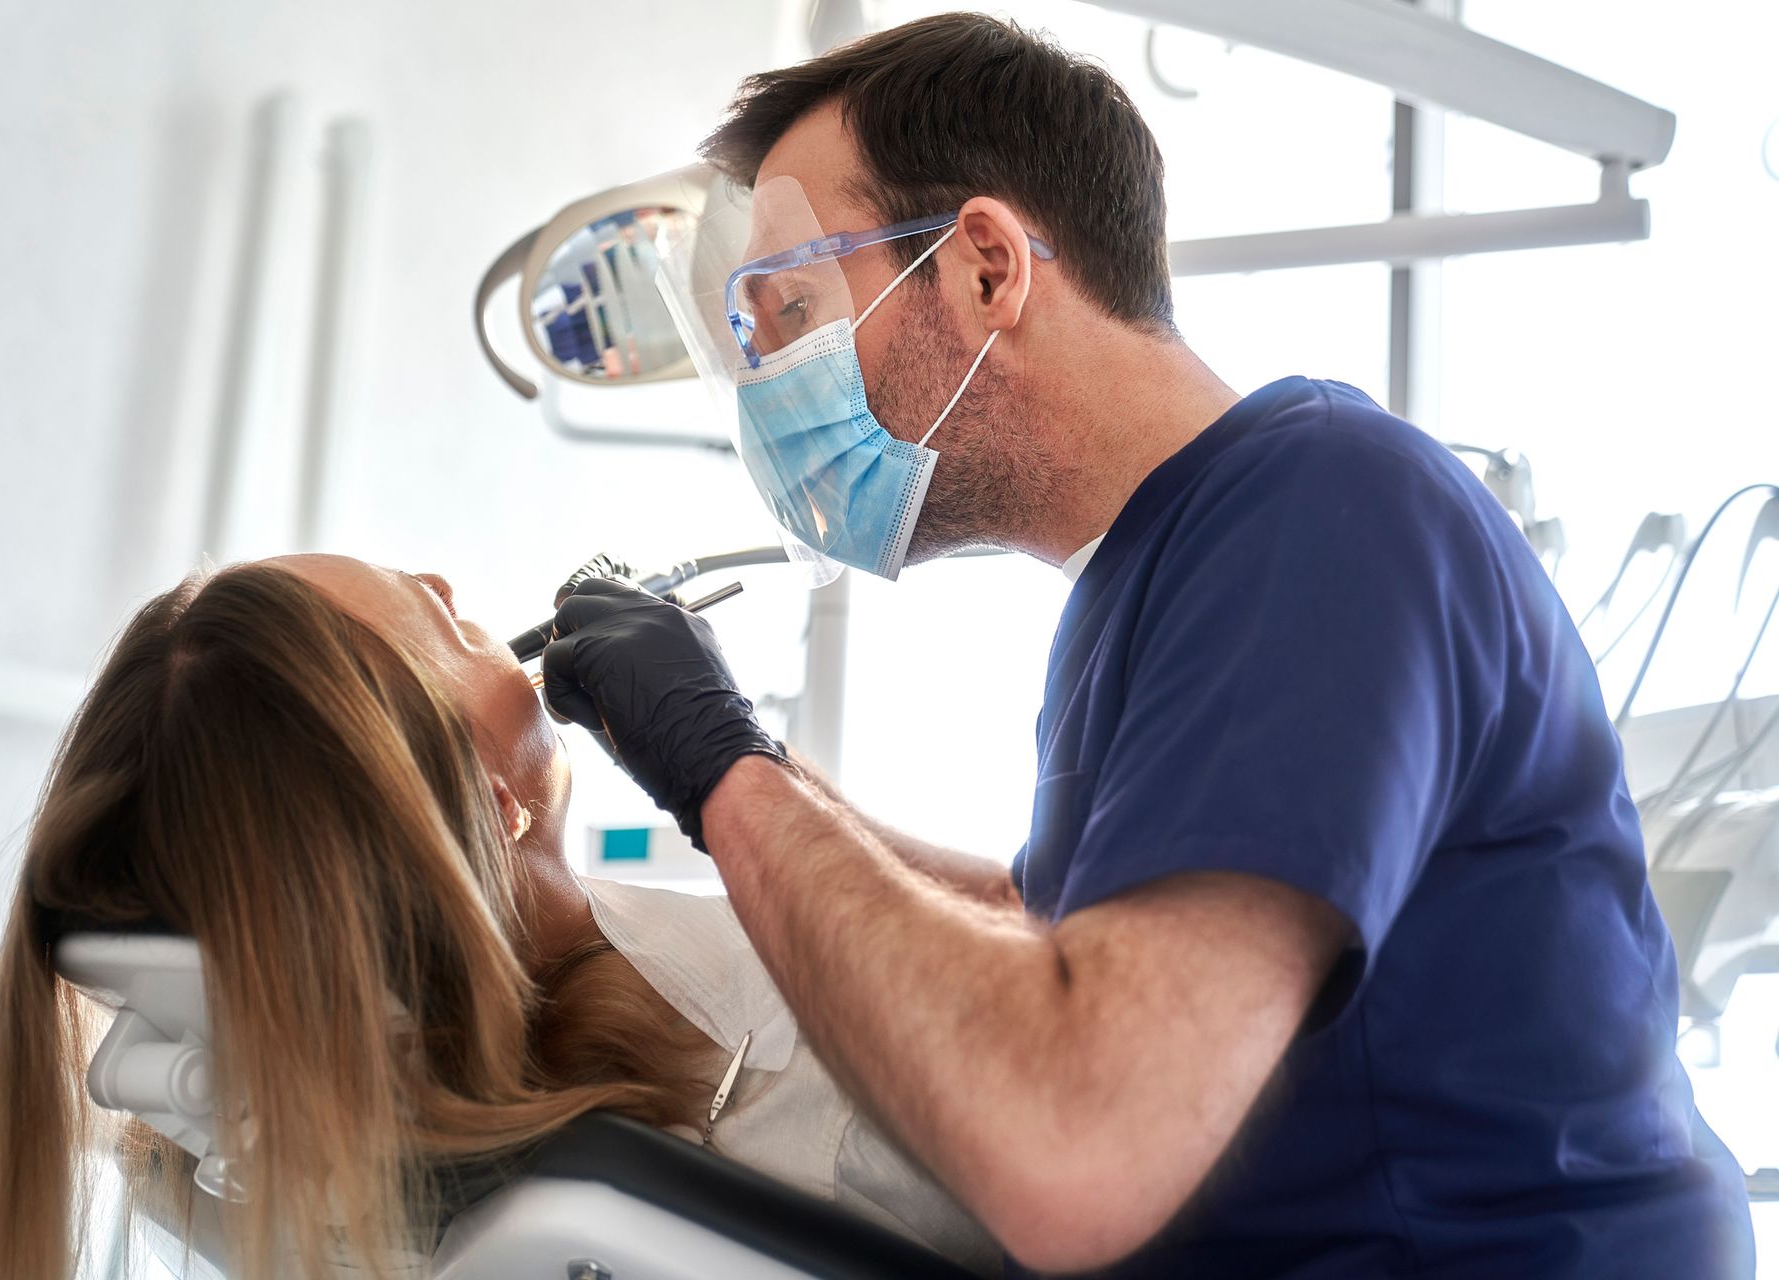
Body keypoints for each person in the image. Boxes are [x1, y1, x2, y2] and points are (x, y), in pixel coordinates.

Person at [535, 13, 1757, 1278]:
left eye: (788, 313)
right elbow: (1038, 917)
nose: (771, 383)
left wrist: (719, 764)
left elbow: (1075, 1146)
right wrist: (727, 757)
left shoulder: (1319, 511)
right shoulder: (1144, 581)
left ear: (987, 269)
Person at [0, 554, 1001, 1280]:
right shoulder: (806, 1074)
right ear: (492, 805)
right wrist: (734, 769)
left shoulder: (321, 1185)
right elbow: (1077, 981)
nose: (460, 589)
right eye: (441, 615)